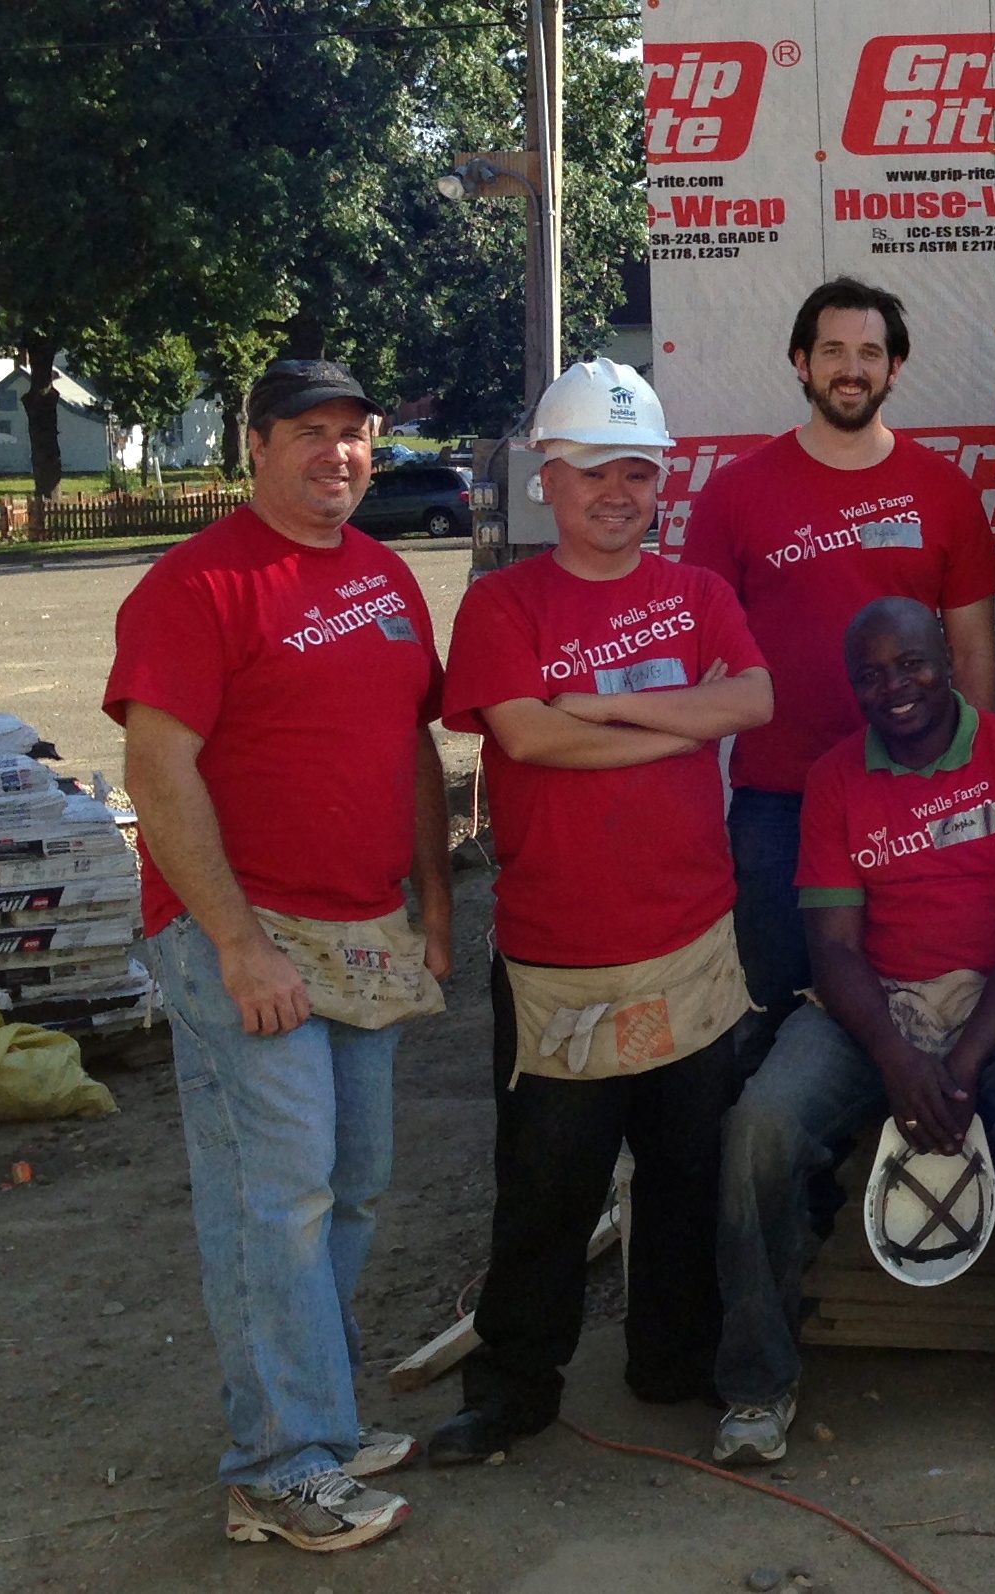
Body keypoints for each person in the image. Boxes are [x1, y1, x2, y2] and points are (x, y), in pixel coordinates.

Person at [108, 360, 450, 1552]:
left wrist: (436, 905)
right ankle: (275, 1462)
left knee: (348, 1184)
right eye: (309, 433)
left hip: (362, 929)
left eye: (356, 436)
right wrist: (239, 946)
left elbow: (409, 747)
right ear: (253, 444)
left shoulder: (388, 577)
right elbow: (156, 773)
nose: (338, 455)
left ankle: (313, 1413)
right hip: (240, 935)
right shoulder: (195, 586)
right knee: (278, 1198)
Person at [425, 360, 773, 1465]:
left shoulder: (700, 594)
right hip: (559, 955)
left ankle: (672, 1362)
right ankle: (514, 1386)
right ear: (546, 478)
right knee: (544, 1192)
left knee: (684, 1176)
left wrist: (606, 705)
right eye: (591, 473)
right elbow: (528, 737)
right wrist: (682, 722)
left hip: (691, 946)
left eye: (636, 471)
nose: (616, 492)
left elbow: (754, 701)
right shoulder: (502, 603)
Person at [714, 599, 995, 1461]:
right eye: (870, 674)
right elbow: (832, 949)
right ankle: (757, 1388)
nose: (893, 687)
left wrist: (965, 1060)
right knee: (759, 1126)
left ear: (949, 658)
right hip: (874, 1000)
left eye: (911, 664)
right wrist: (898, 1058)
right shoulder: (834, 778)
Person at [684, 278, 995, 1060]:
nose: (850, 368)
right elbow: (702, 657)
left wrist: (968, 777)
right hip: (778, 801)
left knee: (923, 1005)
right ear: (801, 361)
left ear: (897, 367)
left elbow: (972, 649)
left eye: (869, 352)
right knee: (768, 1013)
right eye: (833, 351)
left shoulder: (944, 489)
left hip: (912, 793)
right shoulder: (735, 493)